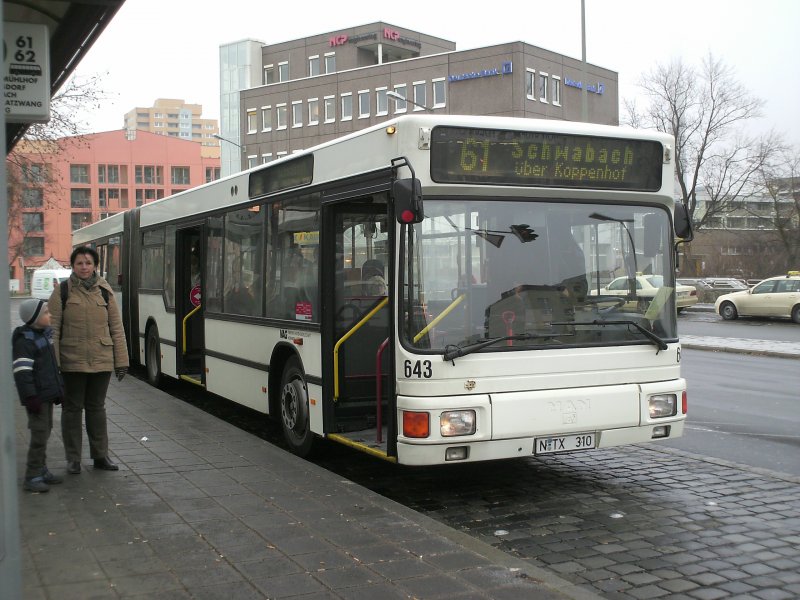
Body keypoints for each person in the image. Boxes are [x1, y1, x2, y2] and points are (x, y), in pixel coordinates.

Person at [48, 246, 129, 475]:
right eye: (79, 263)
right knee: (72, 409)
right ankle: (73, 458)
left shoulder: (104, 291)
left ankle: (100, 455)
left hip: (101, 360)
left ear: (95, 266)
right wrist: (55, 365)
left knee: (96, 409)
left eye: (88, 263)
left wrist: (121, 361)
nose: (84, 267)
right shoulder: (62, 291)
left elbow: (116, 328)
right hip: (71, 360)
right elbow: (53, 330)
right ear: (73, 266)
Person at [12, 299, 66, 493]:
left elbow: (52, 369)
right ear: (34, 318)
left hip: (45, 396)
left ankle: (41, 469)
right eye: (45, 313)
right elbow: (23, 374)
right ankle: (32, 475)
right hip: (36, 399)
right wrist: (30, 398)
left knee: (46, 431)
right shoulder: (25, 341)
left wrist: (58, 390)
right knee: (39, 435)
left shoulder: (44, 335)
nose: (50, 315)